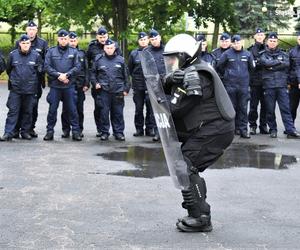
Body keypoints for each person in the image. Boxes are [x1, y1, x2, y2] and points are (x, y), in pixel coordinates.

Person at [162, 34, 235, 232]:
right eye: (167, 59)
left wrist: (164, 105)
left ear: (186, 56)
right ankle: (197, 212)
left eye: (173, 58)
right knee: (186, 165)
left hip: (215, 129)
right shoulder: (190, 70)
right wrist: (169, 78)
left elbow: (176, 109)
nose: (170, 62)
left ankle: (201, 217)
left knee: (186, 165)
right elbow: (168, 86)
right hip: (208, 127)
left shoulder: (198, 75)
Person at [1, 35, 43, 141]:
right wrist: (15, 81)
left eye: (27, 43)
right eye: (23, 43)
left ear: (30, 44)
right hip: (16, 89)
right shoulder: (13, 55)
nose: (25, 45)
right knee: (13, 111)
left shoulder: (36, 55)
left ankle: (25, 132)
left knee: (28, 111)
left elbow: (39, 72)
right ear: (20, 43)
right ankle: (8, 133)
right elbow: (9, 70)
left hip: (30, 89)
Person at [43, 29, 82, 141]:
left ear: (68, 39)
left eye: (65, 39)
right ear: (58, 39)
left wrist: (67, 75)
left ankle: (75, 132)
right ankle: (49, 132)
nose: (63, 40)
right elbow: (47, 66)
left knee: (72, 110)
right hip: (55, 86)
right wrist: (58, 75)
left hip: (69, 86)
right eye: (61, 38)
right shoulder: (51, 51)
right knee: (52, 110)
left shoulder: (74, 52)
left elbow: (77, 67)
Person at [260, 32, 300, 138]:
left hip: (282, 86)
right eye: (271, 41)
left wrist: (272, 66)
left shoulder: (284, 54)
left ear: (277, 42)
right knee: (270, 109)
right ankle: (273, 130)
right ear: (267, 42)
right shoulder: (263, 54)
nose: (273, 43)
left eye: (274, 41)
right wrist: (278, 63)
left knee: (286, 109)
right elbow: (264, 63)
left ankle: (290, 130)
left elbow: (286, 64)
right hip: (269, 86)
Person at [13, 20, 48, 138]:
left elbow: (45, 61)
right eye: (29, 29)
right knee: (18, 105)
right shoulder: (19, 42)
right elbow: (13, 61)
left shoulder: (42, 43)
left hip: (36, 81)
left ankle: (30, 128)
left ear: (36, 30)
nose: (31, 32)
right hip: (20, 80)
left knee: (32, 106)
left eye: (33, 29)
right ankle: (16, 129)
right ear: (26, 30)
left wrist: (40, 71)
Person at [90, 39, 130, 141]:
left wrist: (126, 89)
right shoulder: (98, 60)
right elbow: (93, 73)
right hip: (104, 91)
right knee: (104, 112)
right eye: (107, 48)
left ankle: (119, 132)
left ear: (114, 48)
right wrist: (95, 83)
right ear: (104, 48)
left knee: (118, 113)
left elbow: (126, 76)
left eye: (111, 48)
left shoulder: (120, 60)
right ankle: (104, 132)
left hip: (118, 90)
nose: (109, 49)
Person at [217, 35, 255, 138]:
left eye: (238, 43)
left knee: (243, 108)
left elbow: (252, 69)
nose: (237, 45)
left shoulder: (247, 54)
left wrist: (246, 79)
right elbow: (219, 66)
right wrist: (226, 75)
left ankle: (243, 130)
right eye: (234, 43)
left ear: (242, 42)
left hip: (243, 86)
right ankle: (231, 130)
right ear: (232, 44)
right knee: (231, 108)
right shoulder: (226, 54)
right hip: (230, 85)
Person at [87, 27, 122, 137]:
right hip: (98, 83)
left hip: (113, 83)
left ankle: (116, 131)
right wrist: (93, 81)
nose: (103, 39)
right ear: (97, 36)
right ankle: (101, 129)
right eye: (100, 37)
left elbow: (120, 62)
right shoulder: (92, 47)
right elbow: (88, 64)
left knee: (115, 109)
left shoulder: (114, 46)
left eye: (105, 37)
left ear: (108, 36)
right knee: (99, 108)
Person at [61, 32, 89, 138]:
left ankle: (79, 129)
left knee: (79, 109)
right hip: (67, 85)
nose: (72, 43)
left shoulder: (82, 53)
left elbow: (86, 69)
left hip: (80, 85)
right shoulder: (64, 52)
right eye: (71, 41)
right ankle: (66, 130)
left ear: (77, 41)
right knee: (66, 108)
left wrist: (86, 83)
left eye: (74, 40)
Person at [128, 31, 155, 137]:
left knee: (150, 109)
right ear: (138, 41)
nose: (143, 42)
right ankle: (139, 129)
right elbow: (129, 70)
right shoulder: (134, 54)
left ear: (148, 40)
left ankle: (150, 129)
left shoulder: (152, 52)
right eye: (141, 40)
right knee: (139, 108)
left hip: (150, 85)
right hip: (138, 86)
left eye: (145, 39)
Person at [145, 29, 166, 141]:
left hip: (166, 83)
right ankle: (157, 132)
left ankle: (167, 132)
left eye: (156, 38)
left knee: (167, 108)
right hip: (153, 84)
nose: (154, 41)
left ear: (160, 37)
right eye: (152, 39)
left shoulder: (167, 50)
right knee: (155, 109)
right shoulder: (147, 52)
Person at [248, 28, 269, 135]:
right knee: (253, 105)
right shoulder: (250, 50)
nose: (260, 36)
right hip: (255, 82)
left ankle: (263, 126)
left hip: (266, 81)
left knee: (265, 105)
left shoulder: (268, 48)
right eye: (258, 35)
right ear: (255, 36)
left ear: (264, 36)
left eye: (262, 34)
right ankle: (252, 126)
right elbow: (251, 66)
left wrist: (260, 62)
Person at [288, 32, 300, 122]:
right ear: (297, 39)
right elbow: (289, 68)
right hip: (294, 84)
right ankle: (290, 128)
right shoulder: (292, 51)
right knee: (292, 107)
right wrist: (288, 82)